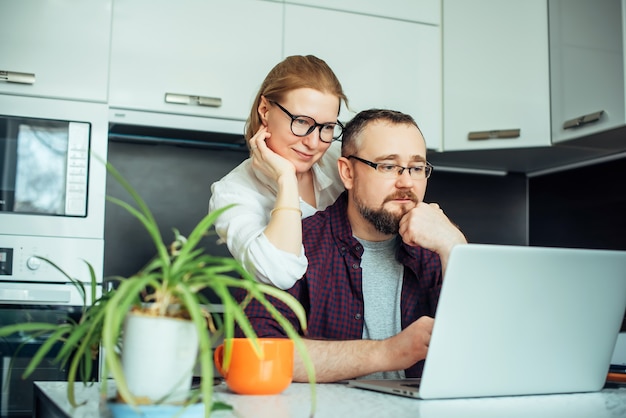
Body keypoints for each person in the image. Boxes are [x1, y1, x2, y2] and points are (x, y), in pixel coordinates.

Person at [234, 109, 468, 382]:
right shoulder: (293, 246)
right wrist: (388, 352)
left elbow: (486, 351)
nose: (406, 182)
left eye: (416, 168)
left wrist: (454, 245)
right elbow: (256, 351)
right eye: (388, 166)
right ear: (347, 172)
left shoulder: (439, 250)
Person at [209, 55, 348, 290]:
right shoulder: (232, 193)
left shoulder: (339, 160)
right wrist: (286, 180)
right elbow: (279, 273)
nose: (314, 143)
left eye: (327, 127)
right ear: (265, 109)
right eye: (302, 122)